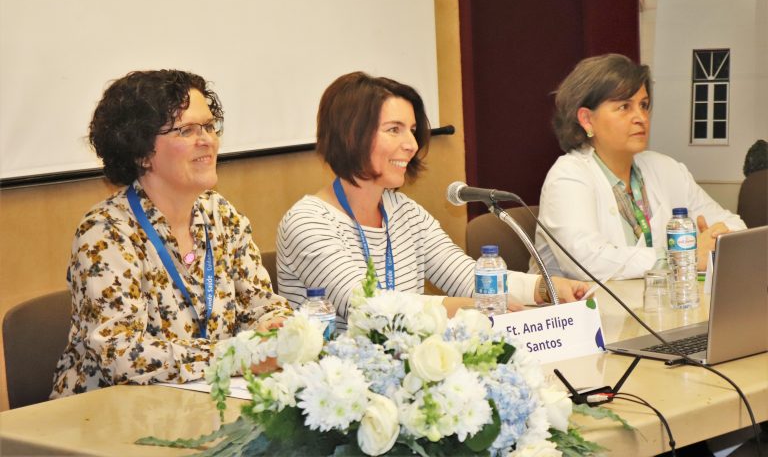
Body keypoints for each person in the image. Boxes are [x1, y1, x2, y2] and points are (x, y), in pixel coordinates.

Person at [277, 72, 587, 330]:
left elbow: (464, 276)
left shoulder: (404, 211)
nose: (412, 145)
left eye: (412, 131)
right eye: (394, 130)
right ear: (351, 135)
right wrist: (468, 308)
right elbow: (367, 307)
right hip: (335, 378)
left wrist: (543, 287)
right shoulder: (309, 222)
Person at [51, 70, 290, 398]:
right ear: (141, 152)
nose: (207, 140)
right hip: (110, 411)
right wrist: (235, 355)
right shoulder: (106, 232)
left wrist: (276, 328)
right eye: (186, 130)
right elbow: (122, 355)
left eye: (209, 126)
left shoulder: (221, 215)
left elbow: (261, 306)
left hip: (204, 400)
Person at [532, 54, 746, 281]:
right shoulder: (568, 177)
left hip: (654, 301)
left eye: (643, 105)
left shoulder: (665, 168)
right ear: (586, 119)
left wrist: (716, 238)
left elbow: (736, 227)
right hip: (581, 303)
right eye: (624, 107)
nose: (641, 117)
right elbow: (587, 262)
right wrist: (683, 255)